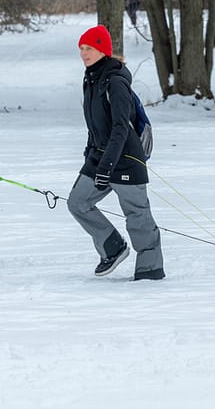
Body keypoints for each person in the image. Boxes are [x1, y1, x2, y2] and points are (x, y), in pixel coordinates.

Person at [67, 24, 165, 280]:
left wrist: (106, 167)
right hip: (100, 157)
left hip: (125, 159)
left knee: (137, 215)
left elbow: (121, 128)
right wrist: (91, 156)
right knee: (78, 202)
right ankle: (113, 248)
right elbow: (95, 125)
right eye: (81, 48)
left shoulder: (116, 82)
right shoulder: (90, 79)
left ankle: (150, 270)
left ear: (103, 50)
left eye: (89, 48)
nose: (84, 53)